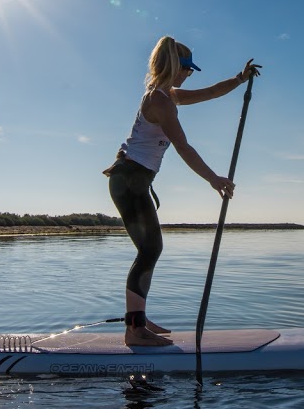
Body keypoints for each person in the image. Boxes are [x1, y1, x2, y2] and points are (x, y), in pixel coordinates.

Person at [104, 36, 261, 346]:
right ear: (176, 67)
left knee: (150, 249)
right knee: (150, 250)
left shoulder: (168, 96)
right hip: (130, 179)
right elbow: (183, 147)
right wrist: (214, 179)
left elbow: (211, 92)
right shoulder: (160, 101)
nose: (190, 75)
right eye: (188, 69)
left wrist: (239, 79)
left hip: (134, 180)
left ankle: (138, 318)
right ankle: (134, 330)